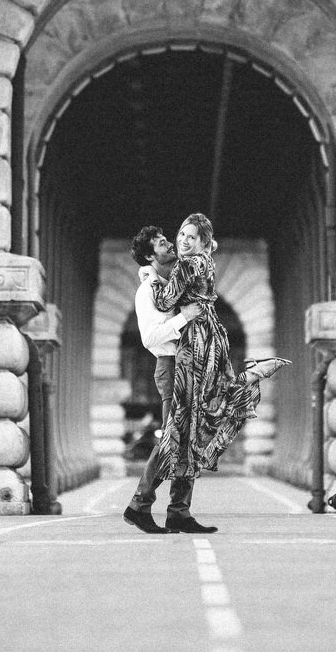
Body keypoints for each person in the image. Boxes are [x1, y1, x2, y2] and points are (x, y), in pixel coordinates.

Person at [147, 213, 287, 531]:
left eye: (190, 237)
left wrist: (151, 276)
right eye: (181, 233)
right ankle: (175, 509)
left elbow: (163, 300)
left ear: (203, 243)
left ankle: (149, 504)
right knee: (198, 418)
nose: (182, 240)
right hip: (214, 340)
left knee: (183, 425)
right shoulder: (207, 263)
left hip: (194, 345)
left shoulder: (185, 266)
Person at [122, 226, 204, 535]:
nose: (170, 244)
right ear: (148, 255)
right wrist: (186, 317)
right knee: (173, 441)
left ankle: (178, 511)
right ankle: (140, 505)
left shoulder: (170, 285)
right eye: (161, 243)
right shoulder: (147, 291)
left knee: (188, 442)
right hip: (170, 367)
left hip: (188, 365)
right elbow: (149, 337)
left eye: (167, 240)